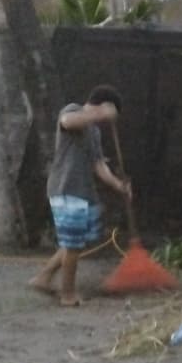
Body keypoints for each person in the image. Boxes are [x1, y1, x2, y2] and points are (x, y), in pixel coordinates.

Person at [29, 84, 132, 306]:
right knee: (73, 244)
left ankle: (44, 277)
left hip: (83, 190)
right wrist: (100, 112)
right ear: (105, 105)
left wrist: (118, 184)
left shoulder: (93, 130)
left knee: (76, 241)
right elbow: (67, 122)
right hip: (66, 187)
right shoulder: (73, 110)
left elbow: (98, 164)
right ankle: (67, 294)